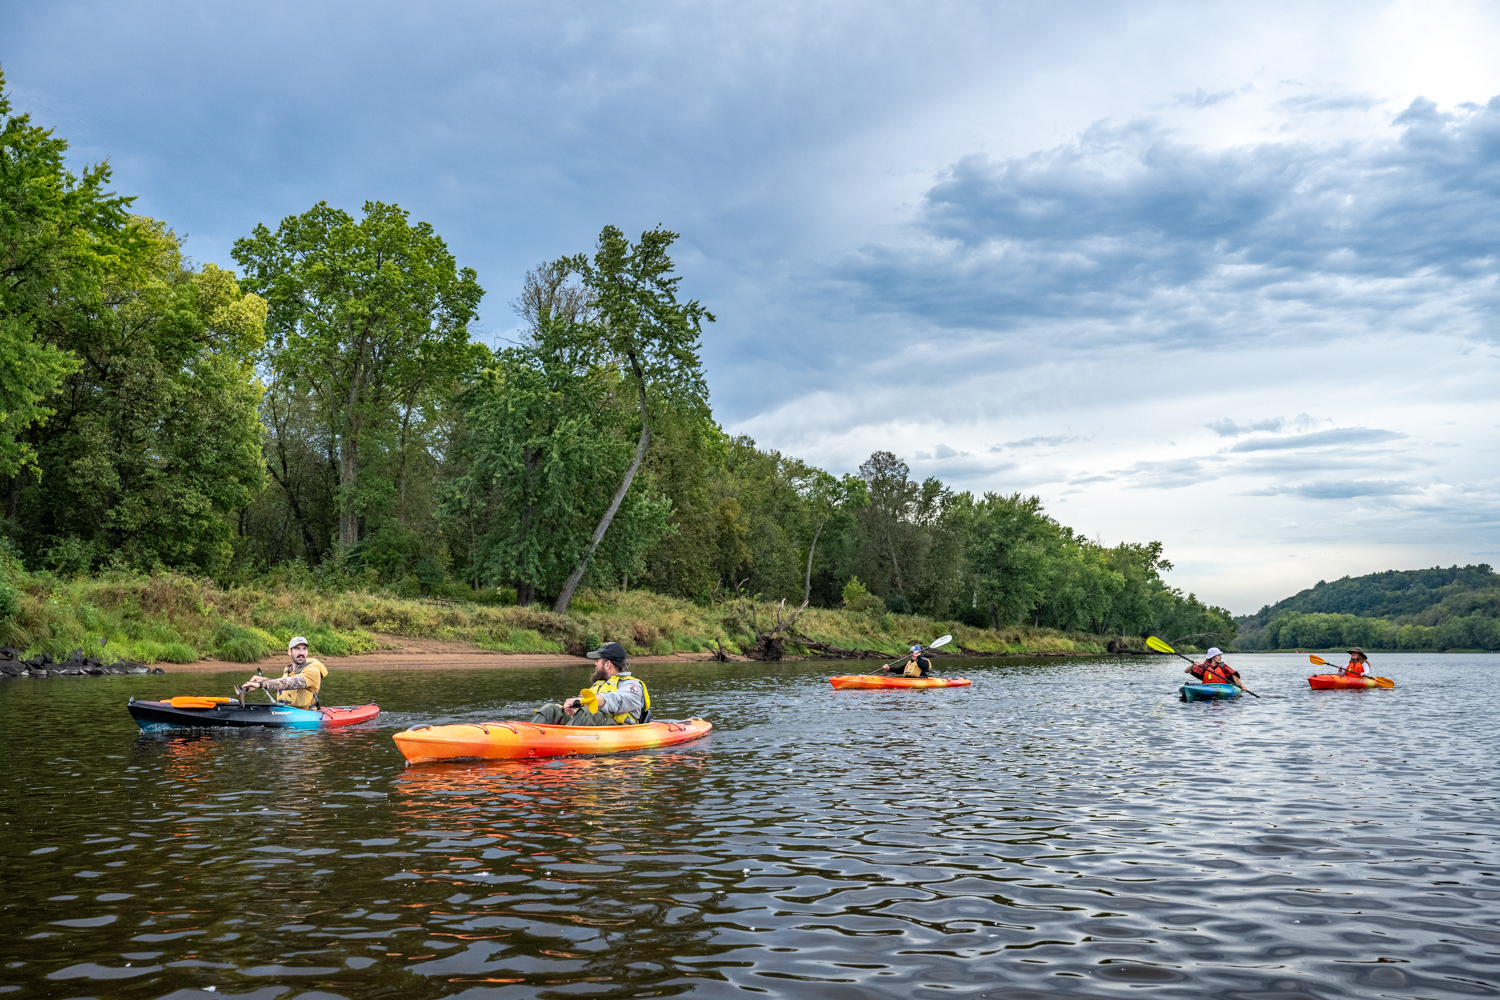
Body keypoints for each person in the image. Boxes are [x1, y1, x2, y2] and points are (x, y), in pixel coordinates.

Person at [531, 642, 651, 726]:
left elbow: (615, 700)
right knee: (551, 709)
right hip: (593, 727)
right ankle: (526, 737)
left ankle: (564, 743)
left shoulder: (632, 686)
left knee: (589, 711)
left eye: (597, 661)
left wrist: (586, 701)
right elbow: (582, 713)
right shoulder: (599, 685)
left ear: (607, 664)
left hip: (617, 730)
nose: (595, 664)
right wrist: (570, 710)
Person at [240, 636, 327, 709]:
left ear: (307, 652)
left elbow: (293, 682)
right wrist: (263, 680)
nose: (301, 653)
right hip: (287, 711)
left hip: (306, 716)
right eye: (297, 649)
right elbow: (283, 684)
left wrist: (261, 684)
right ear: (289, 651)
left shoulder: (312, 671)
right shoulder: (288, 669)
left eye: (304, 649)